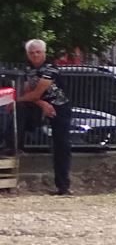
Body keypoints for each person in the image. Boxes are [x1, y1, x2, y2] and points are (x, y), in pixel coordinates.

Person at [19, 39, 72, 195]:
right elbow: (29, 93)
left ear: (44, 53)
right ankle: (16, 145)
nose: (35, 55)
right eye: (31, 53)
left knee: (61, 145)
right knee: (19, 110)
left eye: (38, 52)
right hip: (40, 104)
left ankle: (63, 186)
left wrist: (14, 98)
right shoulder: (28, 69)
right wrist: (42, 104)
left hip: (59, 108)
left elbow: (34, 93)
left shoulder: (51, 69)